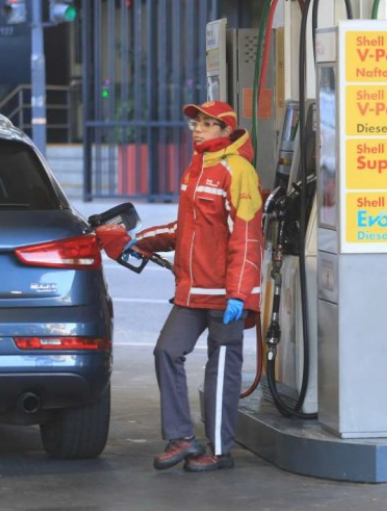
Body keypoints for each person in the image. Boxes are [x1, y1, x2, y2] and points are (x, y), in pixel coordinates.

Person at [125, 100, 263, 472]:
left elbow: (247, 239)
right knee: (167, 351)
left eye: (205, 123)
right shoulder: (196, 169)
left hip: (225, 294)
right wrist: (140, 240)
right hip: (192, 290)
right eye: (195, 123)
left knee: (221, 368)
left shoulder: (239, 172)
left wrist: (239, 292)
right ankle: (182, 438)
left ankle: (219, 451)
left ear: (225, 130)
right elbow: (185, 229)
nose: (196, 129)